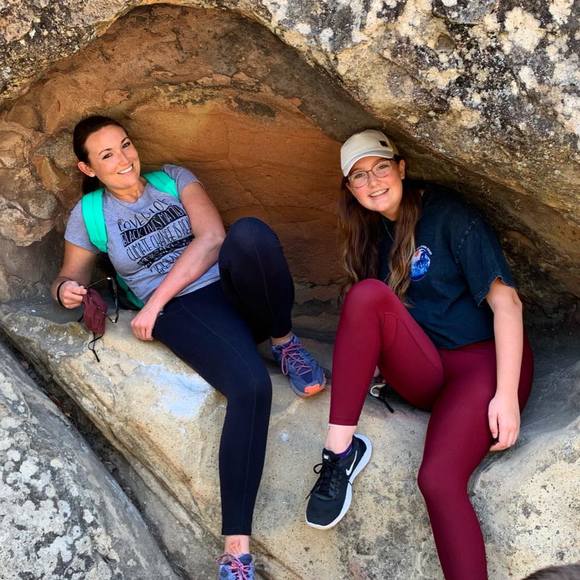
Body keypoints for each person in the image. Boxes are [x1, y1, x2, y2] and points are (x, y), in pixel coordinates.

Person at [51, 115, 326, 579]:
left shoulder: (173, 179)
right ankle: (236, 553)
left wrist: (153, 302)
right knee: (250, 387)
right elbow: (67, 275)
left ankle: (283, 342)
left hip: (218, 291)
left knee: (250, 234)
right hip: (185, 312)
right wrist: (65, 291)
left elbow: (214, 237)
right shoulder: (90, 215)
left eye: (125, 145)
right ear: (88, 168)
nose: (124, 159)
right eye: (107, 155)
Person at [305, 129, 534, 580]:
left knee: (438, 480)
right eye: (359, 176)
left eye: (381, 168)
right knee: (367, 295)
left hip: (482, 366)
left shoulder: (448, 215)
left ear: (402, 168)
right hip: (429, 370)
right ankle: (340, 454)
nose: (373, 182)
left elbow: (507, 303)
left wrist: (506, 395)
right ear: (349, 188)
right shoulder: (370, 233)